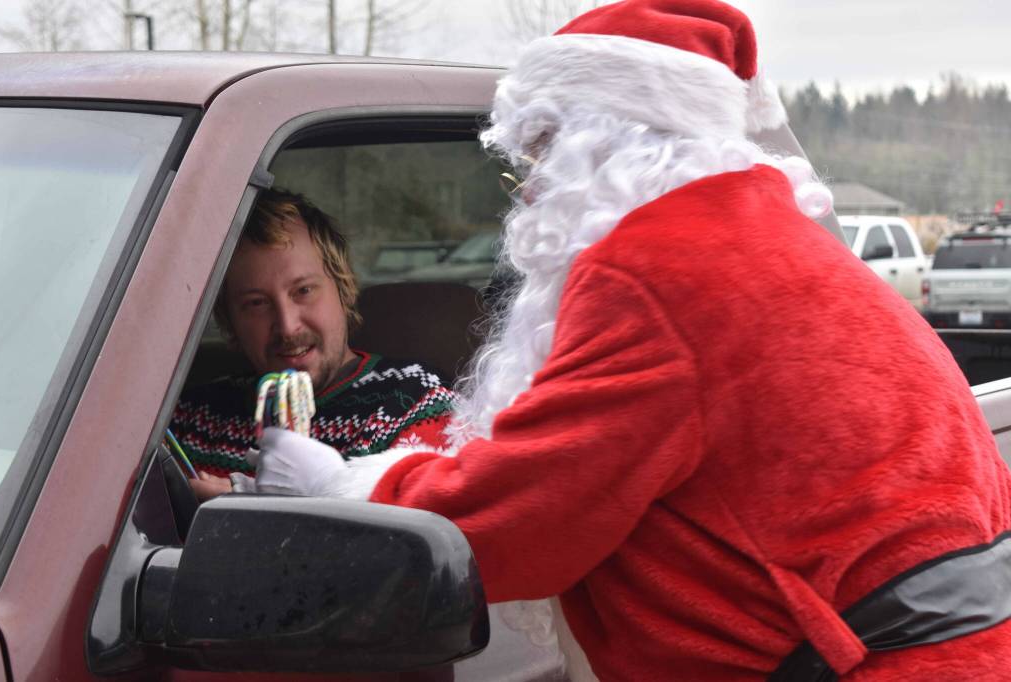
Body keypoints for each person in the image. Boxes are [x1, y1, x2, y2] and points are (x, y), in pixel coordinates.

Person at [242, 2, 1011, 680]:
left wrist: (342, 489)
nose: (534, 194)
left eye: (543, 157)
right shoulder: (768, 243)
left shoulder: (662, 271)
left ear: (602, 145)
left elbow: (524, 514)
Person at [169, 188, 454, 500]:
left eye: (303, 290)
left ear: (344, 288)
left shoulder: (413, 400)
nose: (288, 326)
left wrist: (247, 509)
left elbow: (409, 531)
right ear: (229, 322)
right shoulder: (192, 416)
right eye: (256, 303)